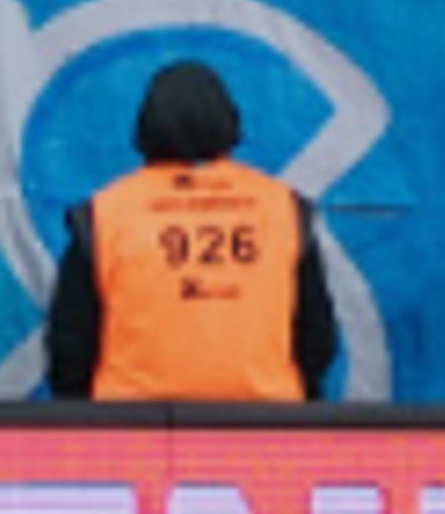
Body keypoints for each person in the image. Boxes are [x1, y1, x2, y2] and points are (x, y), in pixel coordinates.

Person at [44, 62, 338, 402]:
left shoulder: (106, 213)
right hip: (262, 427)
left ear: (144, 128)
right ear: (230, 123)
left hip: (132, 431)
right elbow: (317, 337)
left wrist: (91, 423)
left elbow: (71, 344)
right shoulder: (281, 208)